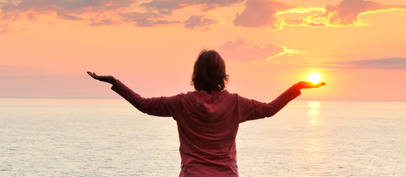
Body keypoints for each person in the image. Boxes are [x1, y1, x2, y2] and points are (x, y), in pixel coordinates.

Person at [88, 49, 326, 176]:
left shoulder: (182, 103)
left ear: (196, 74)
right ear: (222, 75)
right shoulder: (236, 103)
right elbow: (269, 109)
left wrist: (115, 82)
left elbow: (144, 105)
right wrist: (296, 88)